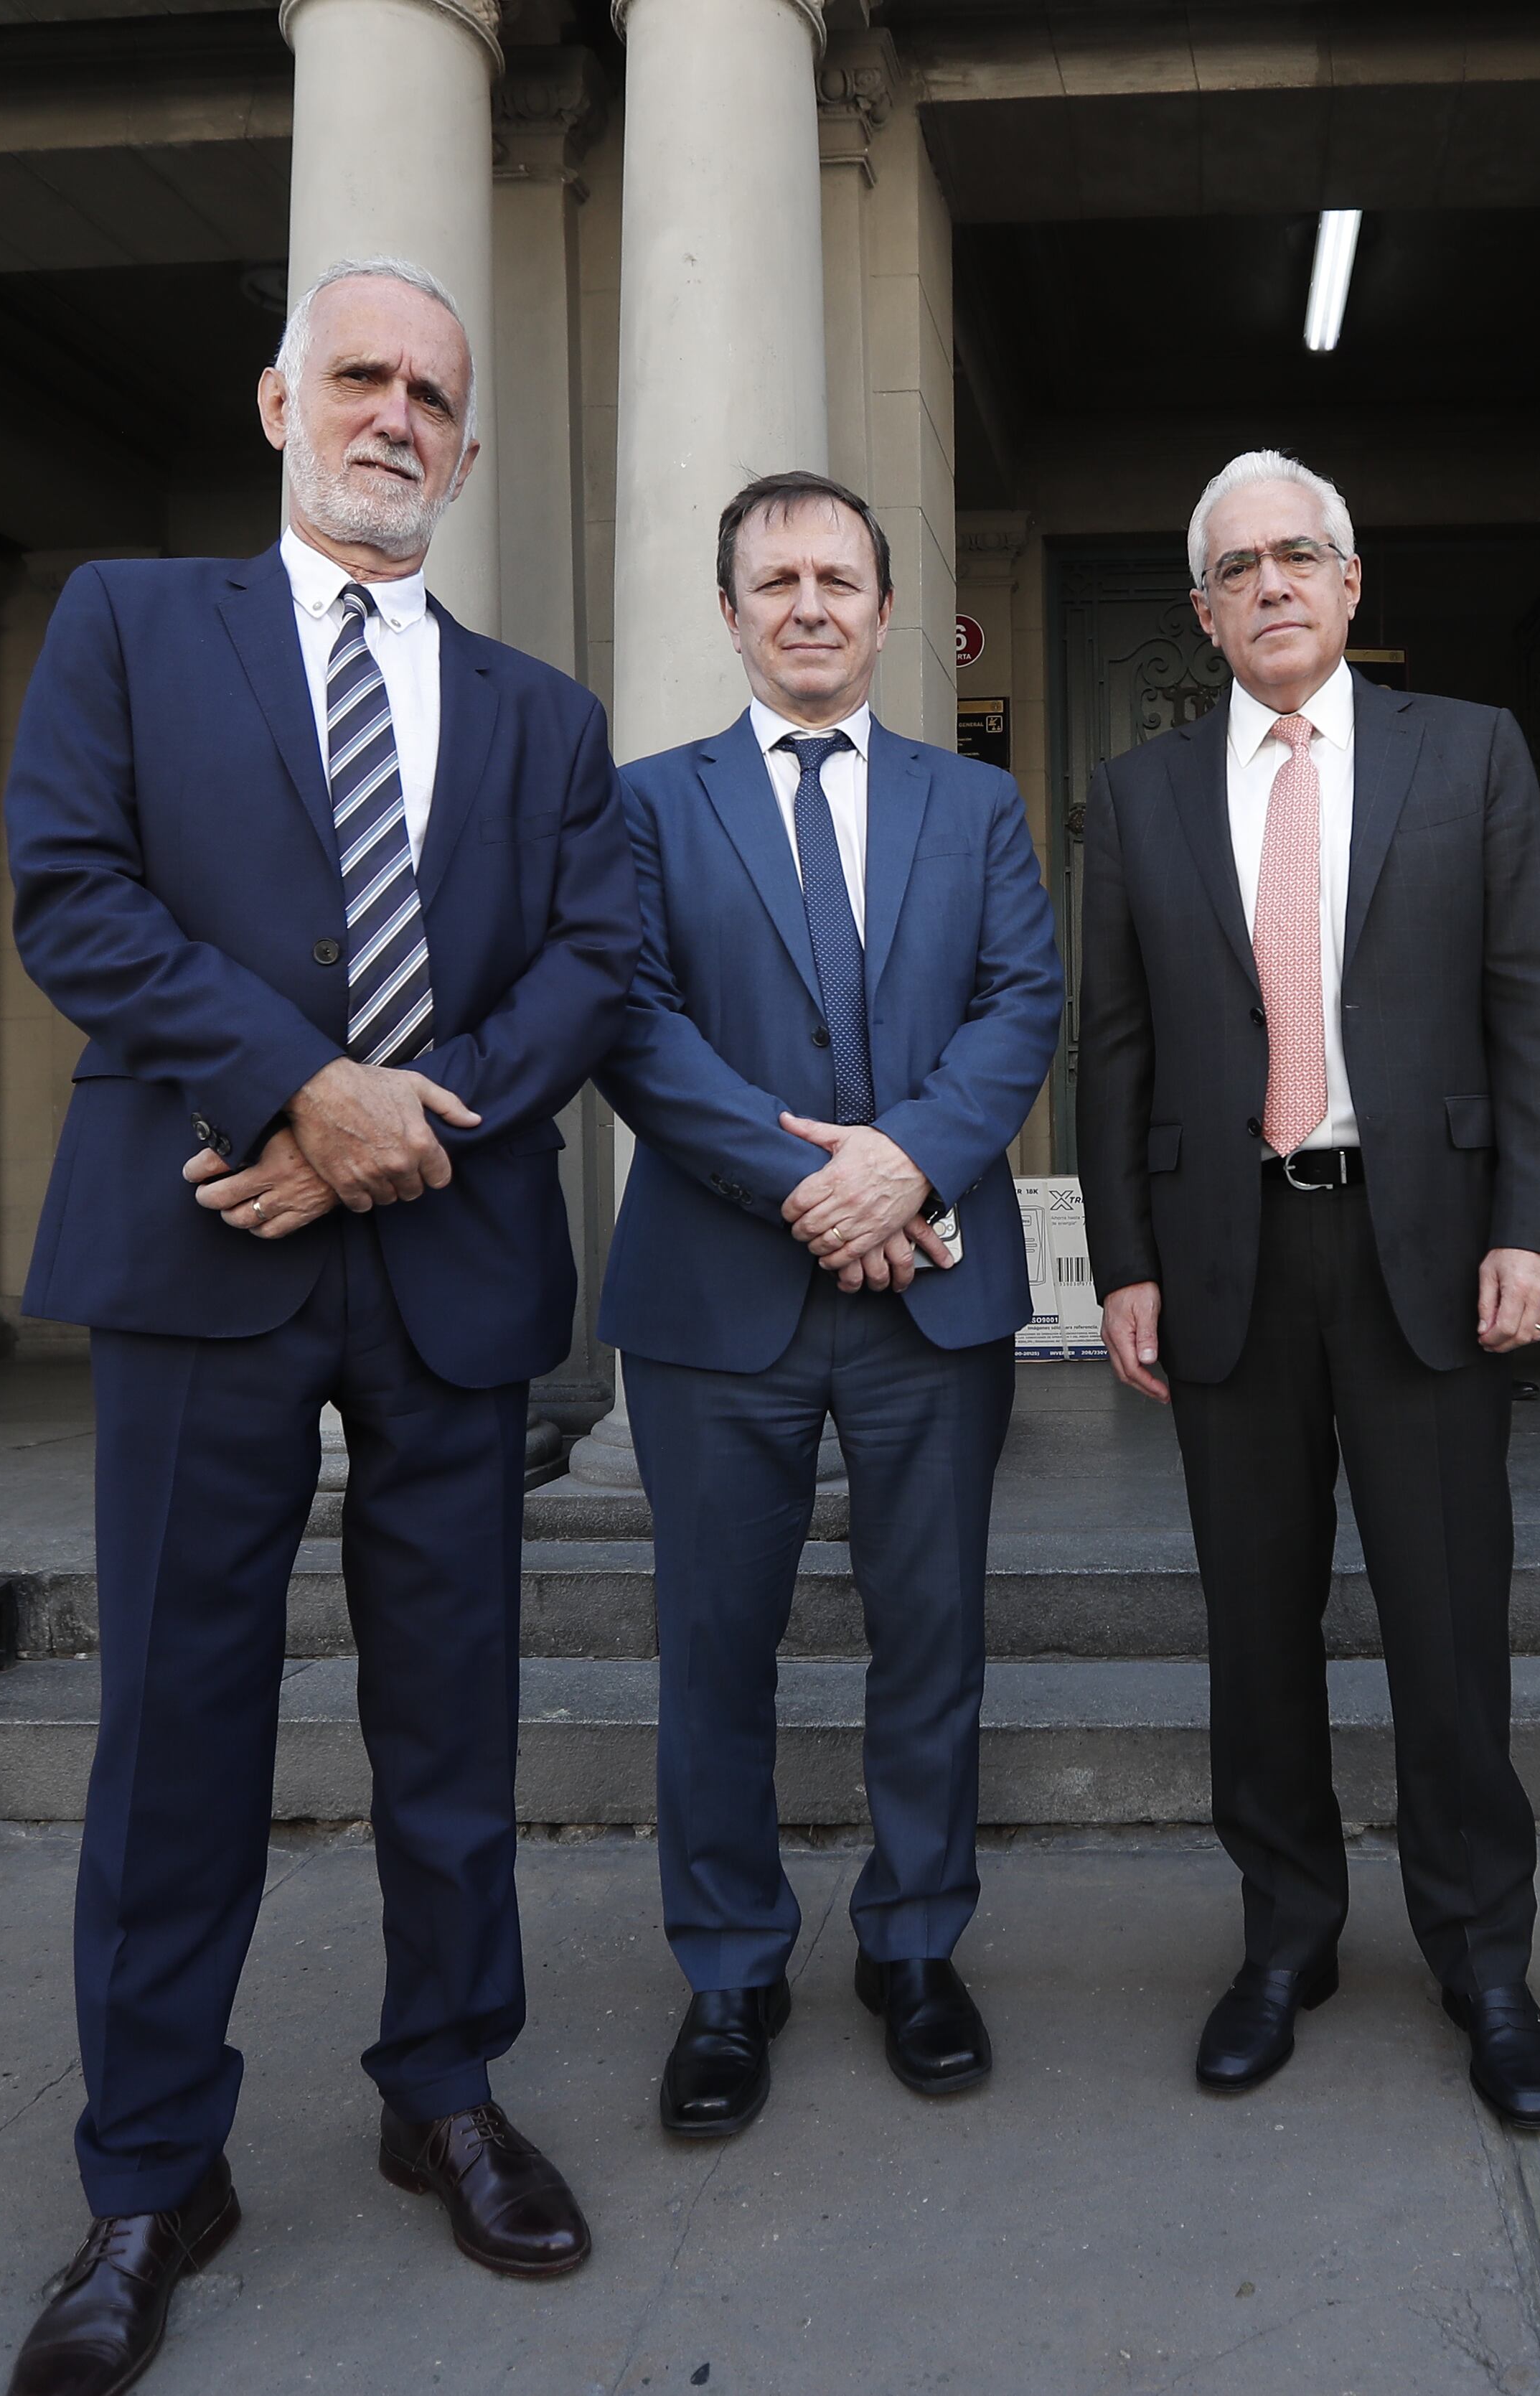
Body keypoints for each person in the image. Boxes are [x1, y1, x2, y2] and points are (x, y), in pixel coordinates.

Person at [0, 257, 642, 2396]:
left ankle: (441, 2086)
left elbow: (591, 962)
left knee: (449, 1726)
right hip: (201, 1240)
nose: (393, 414)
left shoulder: (545, 715)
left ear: (467, 445)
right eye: (357, 375)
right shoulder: (125, 623)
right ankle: (148, 2168)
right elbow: (76, 893)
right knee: (176, 1733)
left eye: (432, 392)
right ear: (279, 400)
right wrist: (299, 1086)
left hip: (446, 1264)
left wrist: (395, 1126)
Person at [1075, 450, 1540, 2126]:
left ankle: (1482, 1956)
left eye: (1302, 555)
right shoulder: (1139, 793)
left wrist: (1538, 1220)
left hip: (1427, 1246)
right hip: (1227, 1258)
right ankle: (1282, 1938)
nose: (1274, 583)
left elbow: (1532, 1002)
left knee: (1449, 1625)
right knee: (1255, 1628)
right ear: (1207, 609)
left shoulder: (1473, 754)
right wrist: (1126, 1262)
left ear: (1352, 585)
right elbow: (1120, 1045)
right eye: (1240, 566)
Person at [596, 472, 1061, 2137]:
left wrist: (906, 1169)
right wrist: (811, 1186)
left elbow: (1021, 1007)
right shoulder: (645, 806)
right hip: (717, 1299)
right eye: (774, 578)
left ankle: (915, 1945)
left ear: (884, 610)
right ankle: (727, 1969)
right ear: (728, 611)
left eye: (837, 577)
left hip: (931, 1291)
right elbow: (632, 1021)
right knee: (713, 1650)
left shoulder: (974, 805)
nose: (807, 603)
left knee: (929, 1639)